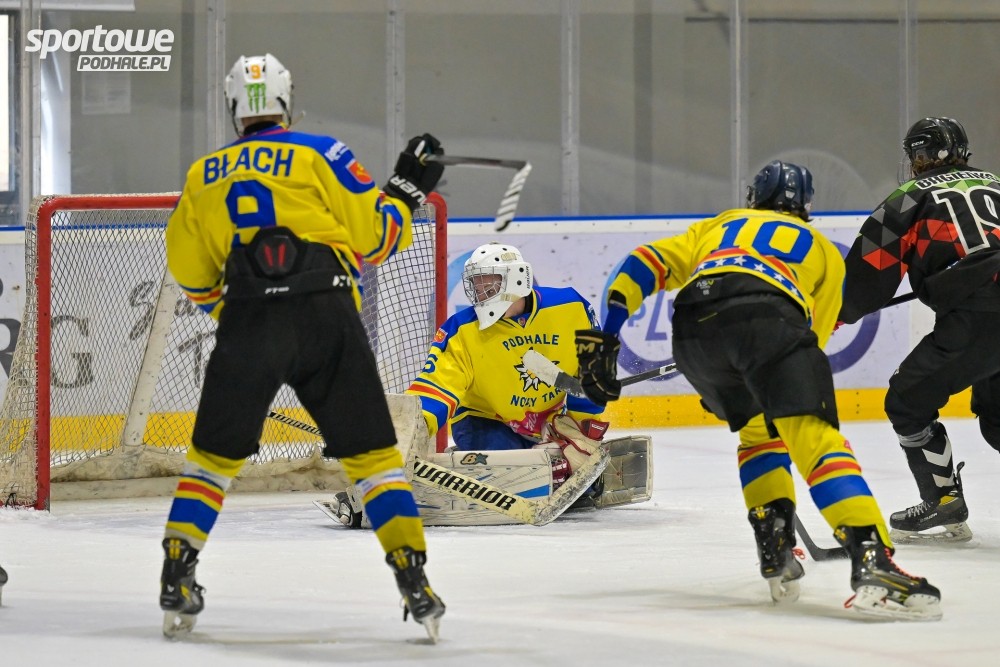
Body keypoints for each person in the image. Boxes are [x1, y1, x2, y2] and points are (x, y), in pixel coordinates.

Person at [575, 161, 942, 621]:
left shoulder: (720, 226)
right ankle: (874, 562)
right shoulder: (823, 251)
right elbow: (813, 336)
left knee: (758, 437)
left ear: (754, 197)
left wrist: (609, 333)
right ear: (806, 204)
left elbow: (641, 263)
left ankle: (775, 548)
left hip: (692, 332)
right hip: (770, 323)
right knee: (814, 438)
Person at [160, 53, 446, 641]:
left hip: (249, 318)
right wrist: (406, 189)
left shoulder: (202, 174)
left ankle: (176, 573)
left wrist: (240, 317)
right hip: (325, 311)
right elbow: (379, 238)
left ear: (234, 107)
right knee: (373, 461)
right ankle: (413, 580)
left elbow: (190, 272)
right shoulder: (322, 153)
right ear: (287, 102)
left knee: (212, 461)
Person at [840, 116, 1000, 544]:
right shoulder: (997, 184)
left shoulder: (909, 197)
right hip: (982, 308)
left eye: (917, 154)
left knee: (908, 400)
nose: (915, 162)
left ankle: (944, 501)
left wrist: (833, 315)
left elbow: (867, 275)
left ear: (926, 156)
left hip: (981, 313)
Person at [407, 243, 609, 486]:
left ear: (516, 279)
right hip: (482, 420)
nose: (480, 292)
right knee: (509, 478)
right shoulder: (461, 330)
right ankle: (476, 462)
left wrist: (579, 428)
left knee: (582, 482)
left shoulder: (570, 307)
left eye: (488, 283)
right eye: (476, 284)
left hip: (549, 421)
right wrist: (405, 434)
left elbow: (591, 369)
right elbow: (436, 388)